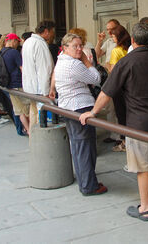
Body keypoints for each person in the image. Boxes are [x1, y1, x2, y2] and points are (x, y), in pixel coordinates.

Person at [80, 23, 148, 222]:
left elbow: (107, 92)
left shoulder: (126, 62)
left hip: (139, 125)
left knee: (144, 168)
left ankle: (145, 208)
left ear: (133, 40)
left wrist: (93, 111)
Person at [55, 33, 106, 196]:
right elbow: (96, 78)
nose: (79, 49)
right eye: (75, 46)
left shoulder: (61, 60)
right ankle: (89, 185)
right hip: (80, 107)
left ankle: (86, 180)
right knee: (84, 147)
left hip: (68, 107)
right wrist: (86, 61)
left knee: (78, 146)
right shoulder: (74, 64)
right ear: (65, 48)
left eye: (80, 46)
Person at [22, 21, 55, 127]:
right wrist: (46, 91)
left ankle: (33, 138)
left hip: (30, 87)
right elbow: (44, 70)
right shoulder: (40, 44)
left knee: (33, 114)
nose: (53, 35)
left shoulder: (27, 42)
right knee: (40, 118)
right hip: (39, 89)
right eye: (52, 32)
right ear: (46, 31)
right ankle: (39, 140)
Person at [94, 19, 121, 144]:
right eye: (108, 29)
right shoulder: (109, 41)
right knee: (110, 107)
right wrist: (99, 41)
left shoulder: (123, 42)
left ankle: (122, 135)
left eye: (112, 29)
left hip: (119, 78)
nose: (109, 32)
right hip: (109, 78)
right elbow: (97, 54)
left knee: (120, 108)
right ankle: (114, 134)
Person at [107, 24, 131, 152]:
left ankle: (124, 142)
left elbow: (113, 71)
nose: (113, 38)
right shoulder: (130, 48)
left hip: (119, 87)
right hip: (130, 86)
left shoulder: (116, 50)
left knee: (121, 115)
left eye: (114, 36)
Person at [3, 33, 31, 136]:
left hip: (9, 85)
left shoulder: (1, 52)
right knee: (29, 108)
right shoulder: (14, 52)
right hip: (19, 84)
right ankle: (31, 131)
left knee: (19, 111)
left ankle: (27, 130)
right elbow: (22, 68)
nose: (17, 44)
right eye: (17, 41)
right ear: (13, 41)